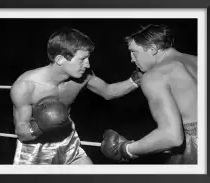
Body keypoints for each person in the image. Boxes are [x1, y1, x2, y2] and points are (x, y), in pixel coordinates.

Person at [10, 27, 142, 165]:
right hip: (36, 151)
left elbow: (108, 91)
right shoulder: (26, 86)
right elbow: (21, 133)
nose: (88, 64)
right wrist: (40, 125)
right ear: (60, 59)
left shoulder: (84, 76)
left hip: (68, 143)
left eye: (88, 58)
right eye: (82, 59)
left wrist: (136, 81)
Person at [101, 24, 197, 164]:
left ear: (152, 49)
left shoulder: (155, 75)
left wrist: (126, 149)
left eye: (134, 52)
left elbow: (171, 136)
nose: (132, 59)